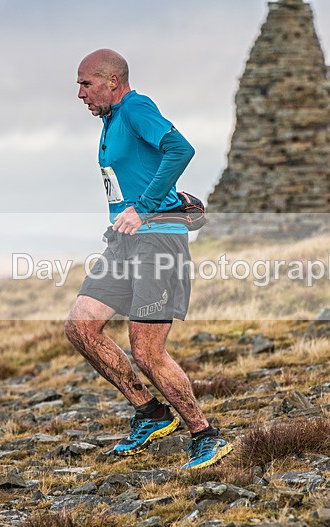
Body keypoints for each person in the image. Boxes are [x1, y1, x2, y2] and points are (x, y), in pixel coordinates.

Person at [64, 49, 232, 470]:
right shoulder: (111, 121)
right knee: (81, 327)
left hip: (158, 243)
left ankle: (205, 435)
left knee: (147, 352)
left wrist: (147, 206)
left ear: (112, 81)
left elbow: (180, 149)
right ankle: (152, 414)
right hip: (124, 244)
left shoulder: (136, 107)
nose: (80, 93)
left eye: (86, 84)